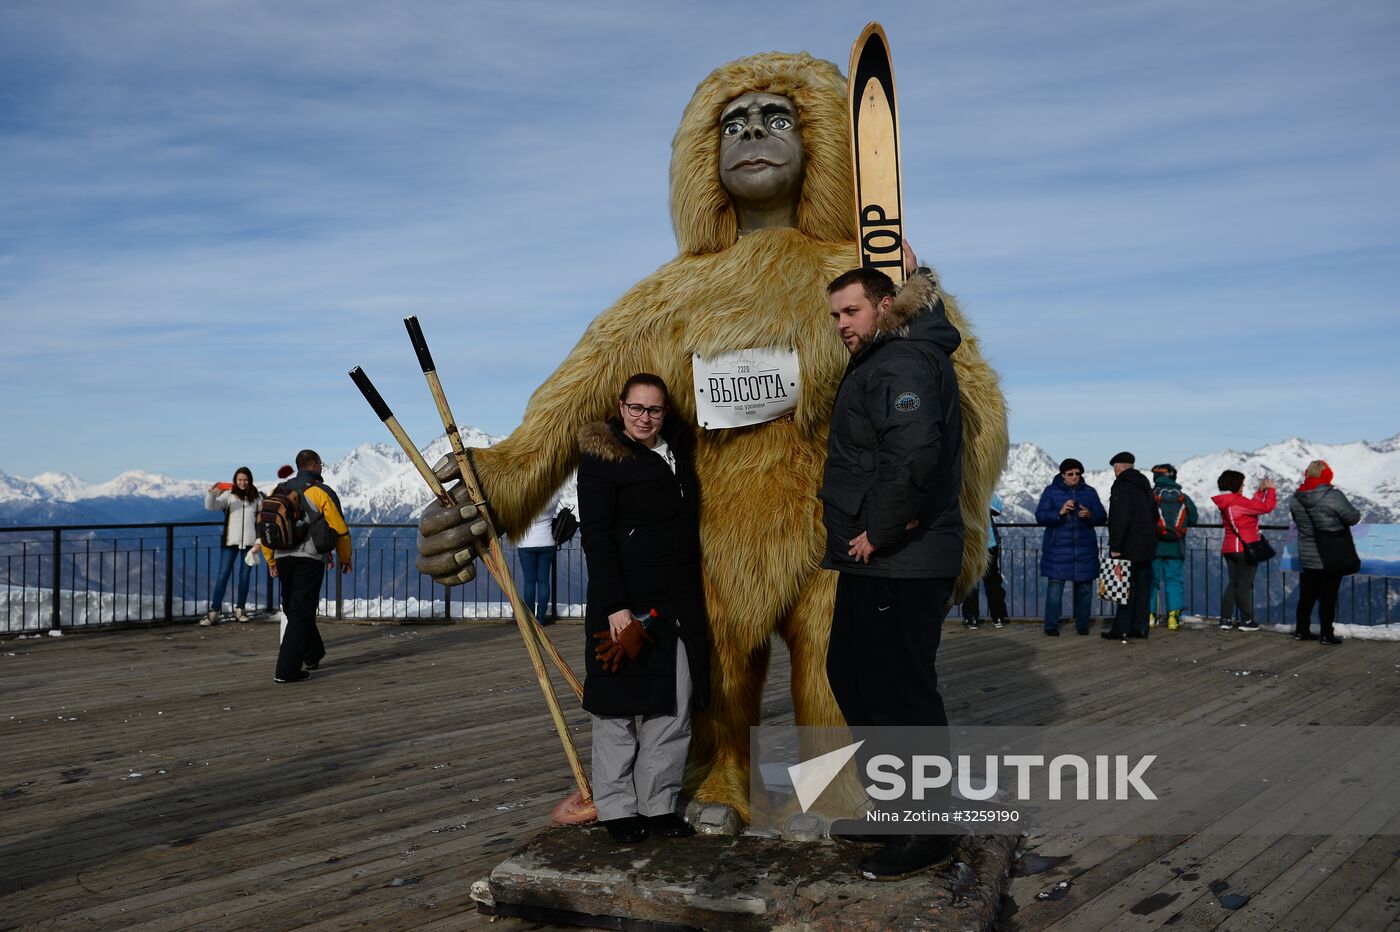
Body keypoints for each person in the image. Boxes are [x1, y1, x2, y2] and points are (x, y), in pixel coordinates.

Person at [820, 247, 964, 881]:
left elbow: (914, 450)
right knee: (854, 675)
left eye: (851, 311)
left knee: (898, 690)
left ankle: (926, 829)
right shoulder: (890, 356)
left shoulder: (901, 360)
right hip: (877, 561)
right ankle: (894, 807)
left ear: (885, 306)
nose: (842, 324)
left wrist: (879, 531)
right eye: (835, 315)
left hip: (900, 560)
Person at [577, 373, 710, 844]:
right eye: (636, 408)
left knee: (673, 705)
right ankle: (616, 808)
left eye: (653, 410)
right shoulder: (603, 458)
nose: (644, 418)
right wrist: (616, 607)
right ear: (621, 407)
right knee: (617, 709)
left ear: (665, 412)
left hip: (678, 601)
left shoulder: (677, 451)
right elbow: (596, 536)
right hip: (625, 603)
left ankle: (658, 805)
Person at [262, 450, 351, 683]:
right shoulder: (321, 492)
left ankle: (313, 654)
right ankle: (286, 671)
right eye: (321, 464)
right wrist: (346, 558)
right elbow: (340, 529)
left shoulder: (280, 490)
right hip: (309, 558)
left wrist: (271, 559)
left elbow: (267, 525)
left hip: (283, 557)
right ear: (314, 465)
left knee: (294, 608)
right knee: (301, 612)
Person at [1290, 460, 1360, 645]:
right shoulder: (1333, 495)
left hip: (1307, 553)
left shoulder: (1296, 497)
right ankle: (1326, 634)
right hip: (1331, 553)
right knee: (1328, 596)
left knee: (1307, 594)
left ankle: (1301, 630)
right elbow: (1352, 518)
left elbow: (1297, 519)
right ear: (1327, 475)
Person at [1034, 459, 1107, 635]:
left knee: (1085, 589)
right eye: (1070, 474)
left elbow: (1102, 516)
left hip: (1084, 549)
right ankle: (1051, 626)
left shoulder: (1090, 492)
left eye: (1077, 473)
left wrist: (1090, 515)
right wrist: (1059, 512)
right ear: (1062, 475)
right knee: (1055, 589)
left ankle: (1082, 625)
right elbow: (1040, 516)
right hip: (1058, 550)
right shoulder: (1051, 492)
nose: (1075, 477)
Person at [1211, 469, 1276, 631]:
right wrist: (1271, 490)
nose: (1243, 486)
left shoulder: (1226, 501)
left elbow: (1252, 507)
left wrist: (1260, 492)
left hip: (1229, 547)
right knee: (1244, 585)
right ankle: (1246, 620)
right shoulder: (1238, 501)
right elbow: (1266, 507)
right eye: (1241, 484)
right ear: (1235, 485)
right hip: (1245, 548)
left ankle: (1225, 619)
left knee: (1233, 583)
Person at [1104, 452, 1158, 641]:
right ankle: (1140, 628)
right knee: (1143, 588)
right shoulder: (1144, 484)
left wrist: (1116, 545)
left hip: (1128, 545)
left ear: (1118, 468)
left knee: (1123, 587)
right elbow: (1154, 514)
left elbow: (1120, 517)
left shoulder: (1121, 485)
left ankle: (1122, 628)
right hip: (1147, 545)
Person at [204, 467, 262, 625]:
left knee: (245, 578)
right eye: (240, 480)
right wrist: (211, 494)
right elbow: (211, 506)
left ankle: (240, 610)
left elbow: (261, 522)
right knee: (222, 576)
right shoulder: (228, 496)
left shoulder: (257, 498)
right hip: (230, 542)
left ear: (250, 480)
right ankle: (214, 612)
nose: (243, 483)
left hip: (250, 544)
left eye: (245, 480)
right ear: (235, 481)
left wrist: (259, 542)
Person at [1148, 463, 1199, 631]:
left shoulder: (1150, 496)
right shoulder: (1183, 498)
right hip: (1176, 548)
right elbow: (1193, 519)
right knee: (1174, 582)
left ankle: (1150, 616)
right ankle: (1173, 618)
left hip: (1154, 547)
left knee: (1151, 582)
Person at [513, 491, 563, 625]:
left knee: (529, 582)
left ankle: (530, 618)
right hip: (547, 542)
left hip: (526, 543)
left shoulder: (522, 498)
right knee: (543, 581)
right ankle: (540, 618)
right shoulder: (552, 496)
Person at [961, 493, 1009, 629]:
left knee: (971, 581)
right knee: (992, 580)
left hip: (969, 543)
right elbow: (998, 509)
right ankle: (998, 617)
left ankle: (971, 618)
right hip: (989, 543)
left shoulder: (962, 491)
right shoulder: (986, 489)